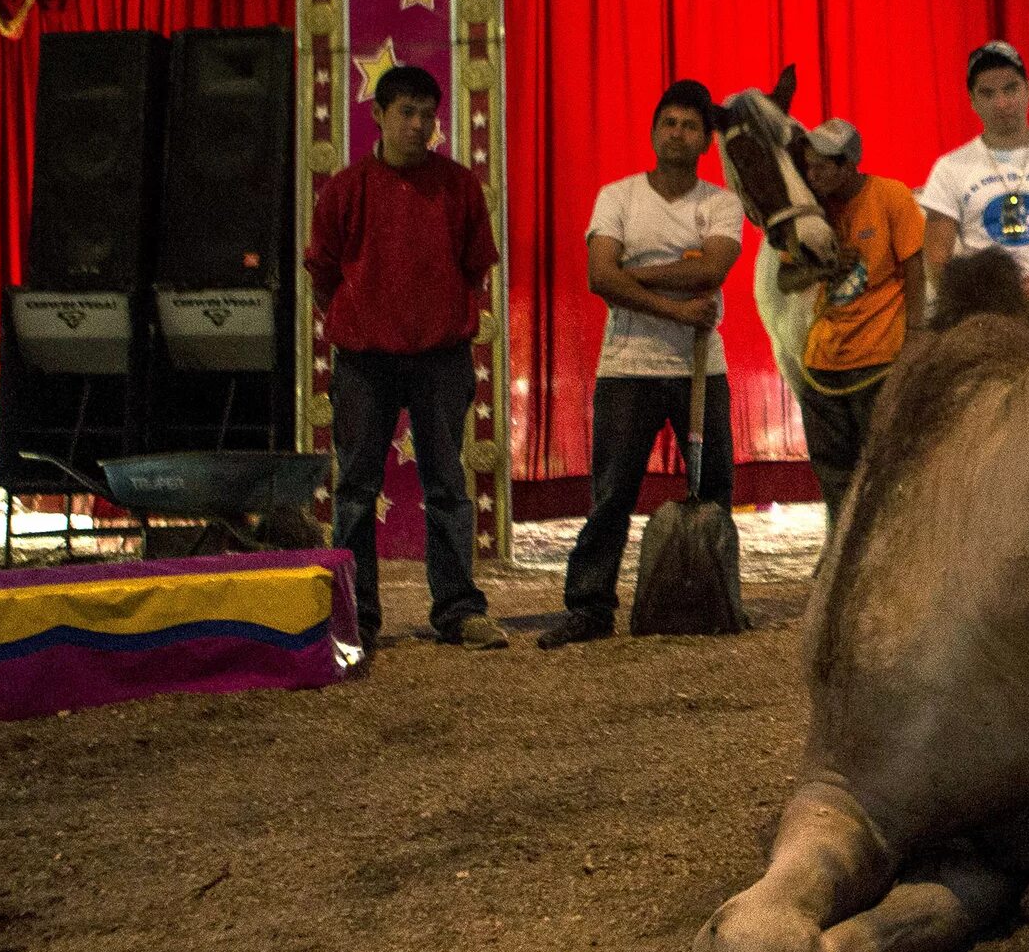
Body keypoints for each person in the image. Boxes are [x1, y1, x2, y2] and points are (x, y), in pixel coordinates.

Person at [304, 63, 506, 655]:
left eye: (428, 115)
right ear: (379, 115)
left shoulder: (460, 186)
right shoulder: (345, 189)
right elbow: (323, 273)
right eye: (406, 114)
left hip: (441, 358)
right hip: (364, 363)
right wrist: (365, 319)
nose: (419, 127)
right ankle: (357, 616)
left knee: (447, 486)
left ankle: (458, 610)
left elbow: (474, 266)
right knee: (356, 492)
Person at [539, 80, 745, 649]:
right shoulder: (618, 196)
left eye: (689, 126)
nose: (677, 133)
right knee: (612, 496)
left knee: (714, 491)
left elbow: (710, 273)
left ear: (705, 141)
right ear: (654, 132)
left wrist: (634, 275)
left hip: (702, 372)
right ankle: (590, 607)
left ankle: (715, 598)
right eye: (669, 123)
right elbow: (598, 277)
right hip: (627, 367)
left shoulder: (721, 203)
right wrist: (674, 301)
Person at [788, 119, 926, 518]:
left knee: (887, 469)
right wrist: (821, 268)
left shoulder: (889, 195)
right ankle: (841, 552)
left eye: (821, 168)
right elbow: (785, 277)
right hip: (822, 363)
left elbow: (913, 266)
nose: (811, 176)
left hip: (879, 360)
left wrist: (914, 335)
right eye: (808, 168)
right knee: (832, 473)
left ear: (849, 165)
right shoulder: (810, 213)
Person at [920, 40, 1029, 318]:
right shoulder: (950, 168)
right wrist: (976, 304)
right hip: (988, 321)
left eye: (1010, 89)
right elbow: (937, 260)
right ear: (972, 100)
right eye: (988, 93)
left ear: (1028, 90)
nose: (1002, 103)